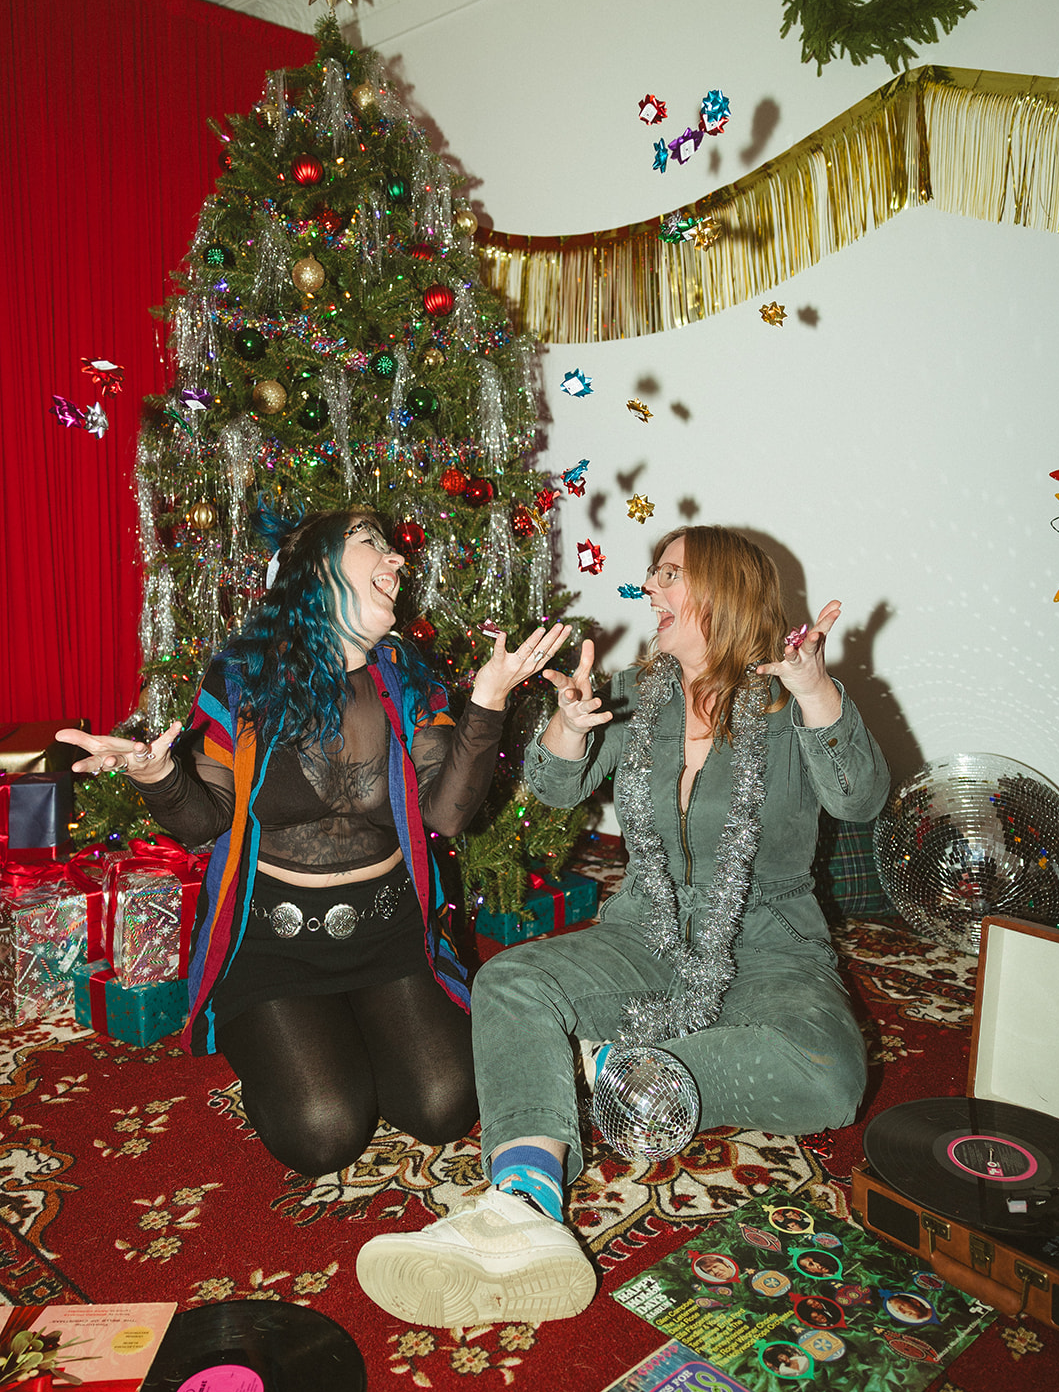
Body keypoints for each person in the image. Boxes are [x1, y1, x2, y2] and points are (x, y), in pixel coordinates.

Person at [355, 525, 890, 1328]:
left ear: (723, 589)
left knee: (830, 1076)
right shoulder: (639, 695)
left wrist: (817, 692)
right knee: (511, 980)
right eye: (650, 574)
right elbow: (553, 788)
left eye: (668, 574)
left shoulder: (789, 700)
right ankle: (522, 1198)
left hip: (769, 942)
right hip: (645, 930)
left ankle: (614, 1067)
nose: (649, 589)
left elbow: (860, 799)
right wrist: (570, 724)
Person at [57, 508, 570, 1176]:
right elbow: (205, 821)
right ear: (314, 571)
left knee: (444, 1107)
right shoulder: (242, 680)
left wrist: (490, 700)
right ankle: (297, 1033)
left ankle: (349, 1026)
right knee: (324, 1133)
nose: (397, 559)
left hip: (387, 933)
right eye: (371, 543)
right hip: (273, 945)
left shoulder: (406, 679)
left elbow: (446, 814)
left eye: (393, 548)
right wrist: (157, 776)